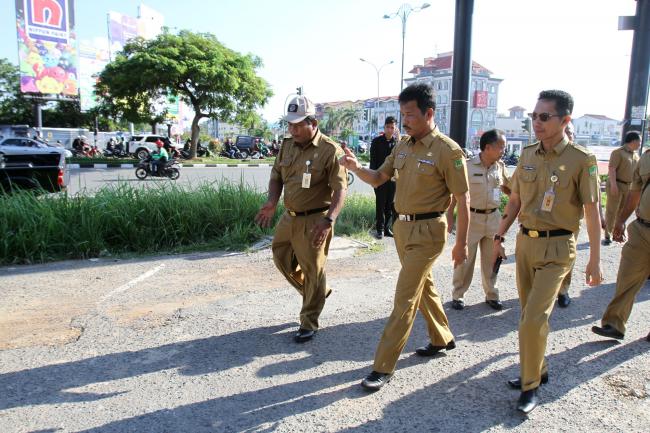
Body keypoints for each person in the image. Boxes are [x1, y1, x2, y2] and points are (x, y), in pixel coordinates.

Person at [340, 83, 469, 391]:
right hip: (401, 228)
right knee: (423, 286)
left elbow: (463, 200)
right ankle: (442, 337)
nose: (404, 121)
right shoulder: (402, 146)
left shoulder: (447, 151)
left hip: (429, 232)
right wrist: (356, 168)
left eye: (410, 115)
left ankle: (383, 367)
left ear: (428, 113)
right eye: (402, 115)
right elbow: (379, 178)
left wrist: (461, 243)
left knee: (405, 296)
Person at [492, 90, 602, 414]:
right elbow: (514, 201)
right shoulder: (526, 155)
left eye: (544, 117)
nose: (536, 122)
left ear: (565, 120)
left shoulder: (582, 160)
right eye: (533, 116)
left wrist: (594, 260)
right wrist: (499, 236)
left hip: (559, 246)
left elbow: (593, 212)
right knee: (528, 315)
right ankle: (537, 369)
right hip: (525, 243)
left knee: (532, 319)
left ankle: (530, 386)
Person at [254, 95, 347, 343]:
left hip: (316, 219)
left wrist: (329, 221)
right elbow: (276, 176)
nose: (292, 129)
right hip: (289, 216)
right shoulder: (286, 145)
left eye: (297, 125)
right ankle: (317, 292)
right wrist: (272, 202)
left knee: (313, 268)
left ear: (313, 122)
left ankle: (309, 322)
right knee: (280, 255)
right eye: (289, 124)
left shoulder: (330, 150)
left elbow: (340, 189)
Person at [591, 146, 649, 340]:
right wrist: (621, 220)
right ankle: (614, 324)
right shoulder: (646, 158)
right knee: (627, 277)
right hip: (641, 229)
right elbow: (636, 192)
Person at [450, 129, 510, 311]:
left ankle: (491, 294)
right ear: (488, 147)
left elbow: (509, 188)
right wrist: (450, 216)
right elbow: (455, 194)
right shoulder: (467, 166)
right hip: (471, 218)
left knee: (492, 259)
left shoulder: (500, 167)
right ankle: (458, 295)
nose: (504, 150)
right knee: (465, 259)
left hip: (493, 218)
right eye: (501, 147)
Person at [555, 122, 606, 309]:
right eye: (566, 131)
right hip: (545, 222)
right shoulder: (545, 157)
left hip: (569, 223)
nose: (568, 134)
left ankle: (563, 290)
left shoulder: (583, 159)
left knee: (568, 258)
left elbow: (594, 198)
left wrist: (600, 217)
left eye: (571, 132)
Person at [603, 131, 641, 245]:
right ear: (633, 141)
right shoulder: (618, 152)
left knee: (622, 211)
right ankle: (607, 234)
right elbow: (612, 169)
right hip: (617, 185)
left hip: (629, 187)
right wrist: (614, 185)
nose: (640, 144)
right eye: (639, 141)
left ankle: (617, 233)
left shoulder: (635, 155)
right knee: (612, 210)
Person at [370, 116, 399, 239]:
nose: (390, 129)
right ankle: (379, 229)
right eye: (388, 127)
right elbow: (373, 161)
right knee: (380, 204)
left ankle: (387, 229)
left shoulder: (397, 143)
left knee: (390, 205)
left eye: (392, 127)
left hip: (392, 179)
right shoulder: (376, 142)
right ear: (384, 127)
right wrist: (373, 179)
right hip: (379, 178)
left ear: (395, 128)